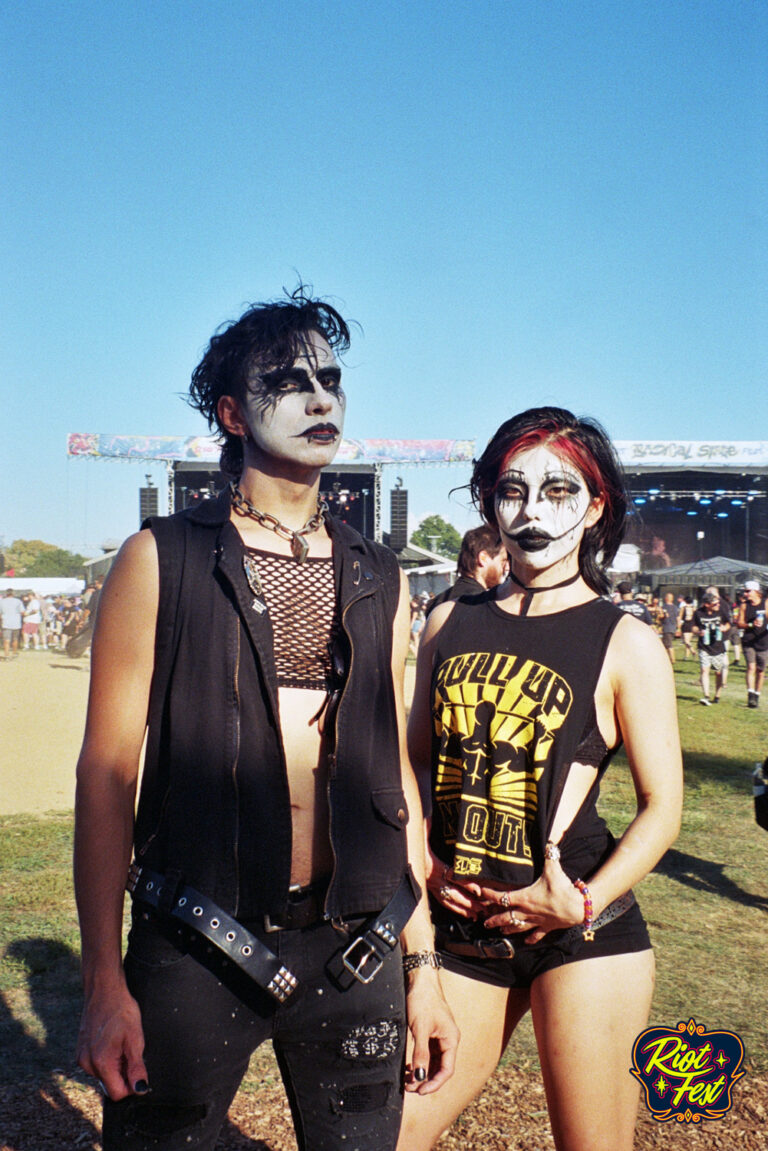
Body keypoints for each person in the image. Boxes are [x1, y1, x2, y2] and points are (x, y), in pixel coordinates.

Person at [74, 288, 457, 1151]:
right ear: (233, 411)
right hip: (194, 944)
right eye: (288, 380)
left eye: (331, 377)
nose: (320, 397)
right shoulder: (159, 558)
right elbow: (105, 773)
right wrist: (104, 978)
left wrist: (422, 965)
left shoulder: (381, 573)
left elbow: (392, 775)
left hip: (358, 949)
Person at [397, 406, 682, 1151]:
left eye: (558, 492)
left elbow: (664, 809)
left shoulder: (629, 643)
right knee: (386, 1136)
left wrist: (583, 898)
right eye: (512, 490)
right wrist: (423, 859)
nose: (532, 512)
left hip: (583, 935)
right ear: (490, 501)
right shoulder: (447, 621)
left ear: (595, 508)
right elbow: (414, 765)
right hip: (464, 929)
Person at [425, 525, 508, 617]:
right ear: (483, 558)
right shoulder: (482, 603)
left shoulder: (438, 601)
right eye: (503, 561)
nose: (507, 567)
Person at [692, 588, 731, 705]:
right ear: (707, 604)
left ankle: (717, 695)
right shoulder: (698, 613)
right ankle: (706, 696)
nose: (718, 605)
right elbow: (693, 627)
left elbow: (728, 623)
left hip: (718, 646)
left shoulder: (721, 611)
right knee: (704, 670)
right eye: (715, 604)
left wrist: (725, 628)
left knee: (718, 672)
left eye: (718, 603)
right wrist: (699, 632)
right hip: (704, 646)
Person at [737, 579, 768, 708]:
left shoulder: (765, 603)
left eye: (748, 591)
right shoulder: (744, 606)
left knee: (761, 671)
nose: (746, 593)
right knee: (751, 667)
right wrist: (751, 624)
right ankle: (750, 696)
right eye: (745, 591)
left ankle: (756, 695)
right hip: (748, 641)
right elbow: (739, 623)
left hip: (763, 641)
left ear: (756, 591)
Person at [1, 589, 24, 659]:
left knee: (6, 640)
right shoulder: (18, 601)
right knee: (15, 639)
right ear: (13, 594)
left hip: (6, 622)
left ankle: (6, 655)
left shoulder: (2, 602)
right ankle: (14, 653)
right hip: (16, 623)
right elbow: (22, 612)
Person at [658, 590, 679, 664]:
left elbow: (660, 617)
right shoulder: (675, 607)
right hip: (673, 628)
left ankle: (673, 660)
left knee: (668, 644)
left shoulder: (663, 607)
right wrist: (678, 628)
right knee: (666, 644)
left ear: (666, 598)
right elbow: (678, 618)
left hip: (667, 627)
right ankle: (667, 659)